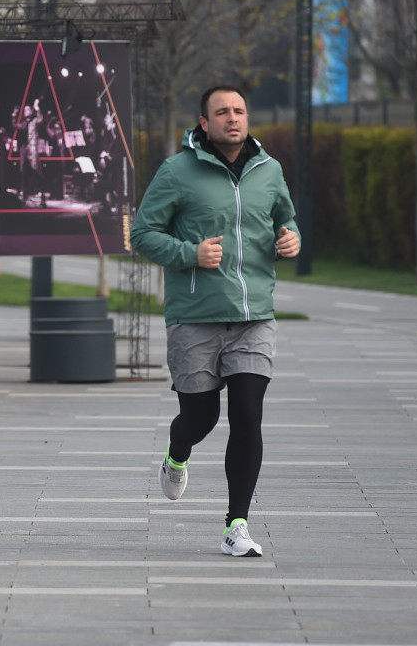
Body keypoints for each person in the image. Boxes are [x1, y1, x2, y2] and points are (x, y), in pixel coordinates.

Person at [130, 85, 300, 558]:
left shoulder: (269, 170)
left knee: (247, 414)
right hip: (195, 317)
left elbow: (285, 220)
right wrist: (191, 253)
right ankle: (177, 451)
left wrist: (291, 238)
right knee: (199, 418)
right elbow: (143, 234)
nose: (233, 117)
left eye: (239, 110)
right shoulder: (177, 171)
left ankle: (236, 525)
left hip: (253, 316)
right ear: (204, 123)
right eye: (222, 111)